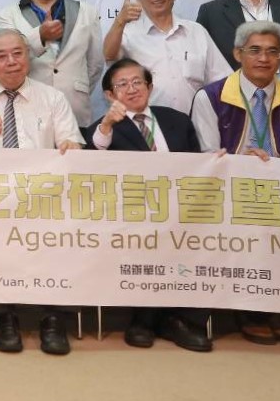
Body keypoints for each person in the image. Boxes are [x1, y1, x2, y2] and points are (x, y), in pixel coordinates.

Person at [0, 29, 83, 354]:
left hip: (43, 196)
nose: (11, 62)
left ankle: (53, 318)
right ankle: (5, 317)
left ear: (28, 56)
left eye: (17, 53)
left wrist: (71, 147)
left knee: (63, 232)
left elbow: (73, 145)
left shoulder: (52, 97)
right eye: (2, 56)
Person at [189, 20, 280, 345]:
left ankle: (277, 302)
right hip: (228, 193)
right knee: (249, 225)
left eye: (272, 52)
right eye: (255, 51)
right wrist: (242, 166)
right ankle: (252, 310)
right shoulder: (211, 97)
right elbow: (206, 154)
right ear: (238, 54)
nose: (264, 59)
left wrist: (275, 172)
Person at [84, 58, 211, 353]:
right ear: (109, 95)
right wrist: (107, 124)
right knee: (150, 240)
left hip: (182, 211)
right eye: (122, 84)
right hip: (132, 215)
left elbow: (198, 165)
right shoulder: (103, 129)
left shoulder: (177, 120)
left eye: (137, 82)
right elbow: (90, 160)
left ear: (150, 87)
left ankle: (180, 319)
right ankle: (144, 319)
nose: (132, 89)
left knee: (207, 239)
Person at [0, 0, 102, 126]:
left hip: (75, 112)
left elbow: (95, 64)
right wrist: (40, 36)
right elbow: (7, 60)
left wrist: (75, 87)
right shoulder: (7, 16)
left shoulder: (87, 12)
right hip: (28, 113)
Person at [103, 0, 231, 113]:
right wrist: (120, 22)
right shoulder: (128, 34)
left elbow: (221, 80)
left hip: (195, 122)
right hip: (147, 123)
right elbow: (109, 55)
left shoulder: (197, 32)